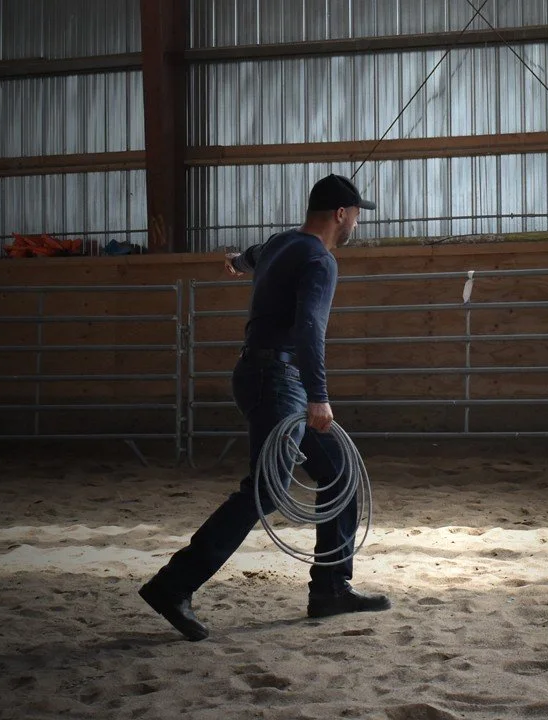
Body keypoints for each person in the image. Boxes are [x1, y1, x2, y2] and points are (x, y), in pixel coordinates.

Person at [139, 174, 391, 641]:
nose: (357, 221)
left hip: (258, 375)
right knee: (265, 490)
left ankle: (332, 588)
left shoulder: (281, 244)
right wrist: (319, 395)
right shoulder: (320, 260)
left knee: (338, 472)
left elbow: (253, 256)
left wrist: (238, 261)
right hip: (282, 381)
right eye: (356, 213)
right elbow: (310, 331)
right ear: (341, 214)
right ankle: (173, 585)